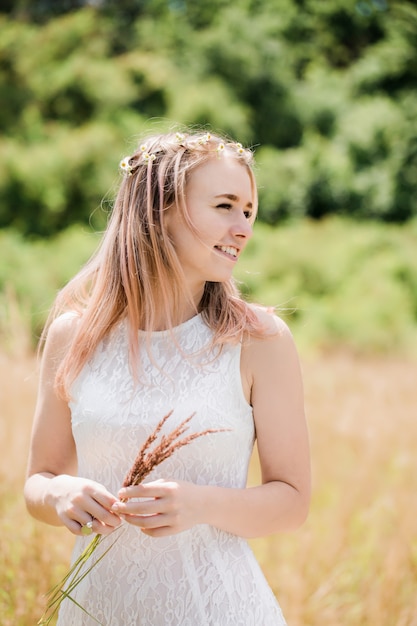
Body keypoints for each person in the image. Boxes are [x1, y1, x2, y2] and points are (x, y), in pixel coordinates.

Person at [24, 129, 311, 626]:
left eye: (248, 211)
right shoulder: (74, 336)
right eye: (225, 205)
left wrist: (202, 504)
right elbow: (38, 478)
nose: (243, 227)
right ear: (158, 210)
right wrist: (59, 495)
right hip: (94, 610)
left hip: (219, 611)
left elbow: (293, 501)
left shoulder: (259, 341)